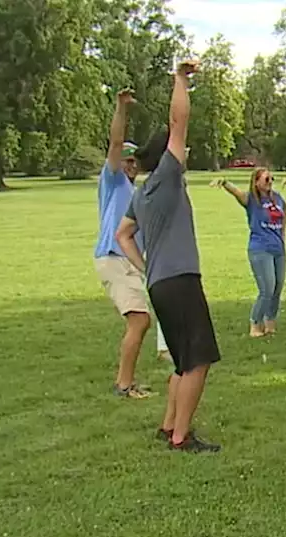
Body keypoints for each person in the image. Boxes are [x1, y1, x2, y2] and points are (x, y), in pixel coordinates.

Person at [116, 60, 222, 454]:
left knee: (182, 360)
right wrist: (180, 80)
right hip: (179, 281)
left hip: (162, 283)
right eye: (180, 149)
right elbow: (178, 123)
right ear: (167, 155)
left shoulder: (141, 193)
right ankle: (182, 437)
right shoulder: (165, 177)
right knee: (199, 360)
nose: (186, 150)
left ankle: (167, 428)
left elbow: (122, 235)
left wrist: (146, 267)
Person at [93, 88, 169, 399]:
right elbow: (114, 143)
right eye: (128, 159)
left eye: (134, 160)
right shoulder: (113, 180)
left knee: (141, 321)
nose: (132, 164)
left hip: (129, 262)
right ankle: (123, 386)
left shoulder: (137, 191)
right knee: (139, 320)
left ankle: (127, 382)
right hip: (113, 258)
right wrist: (121, 108)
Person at [210, 169, 286, 337]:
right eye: (266, 179)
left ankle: (270, 321)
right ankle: (255, 323)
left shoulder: (278, 198)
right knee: (267, 288)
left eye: (271, 178)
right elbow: (237, 193)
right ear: (256, 182)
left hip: (278, 249)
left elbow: (284, 216)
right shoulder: (252, 200)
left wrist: (282, 239)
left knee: (277, 287)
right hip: (260, 248)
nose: (269, 182)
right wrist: (224, 182)